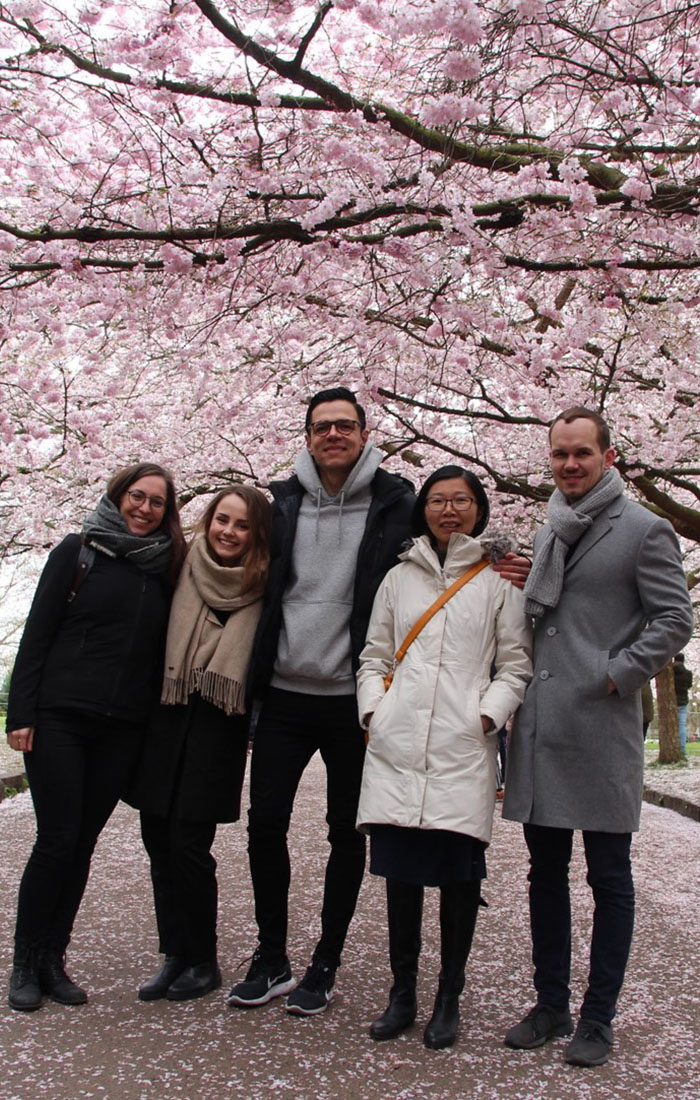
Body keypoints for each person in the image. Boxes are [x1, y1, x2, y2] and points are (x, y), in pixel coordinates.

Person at [503, 407, 693, 1068]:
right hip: (540, 726)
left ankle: (598, 1017)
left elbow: (674, 618)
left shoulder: (645, 528)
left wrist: (615, 674)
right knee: (544, 873)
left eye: (583, 453)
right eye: (560, 455)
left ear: (608, 457)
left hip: (601, 725)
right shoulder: (551, 524)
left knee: (609, 877)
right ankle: (550, 1003)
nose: (571, 465)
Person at [226, 387, 416, 1016]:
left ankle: (325, 960)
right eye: (321, 427)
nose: (333, 435)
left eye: (345, 425)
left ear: (365, 434)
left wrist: (502, 562)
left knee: (345, 833)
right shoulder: (279, 503)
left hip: (351, 700)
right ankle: (271, 953)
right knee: (264, 827)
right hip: (282, 694)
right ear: (306, 437)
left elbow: (446, 547)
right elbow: (230, 558)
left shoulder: (396, 503)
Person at [355, 466, 532, 1049]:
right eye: (437, 500)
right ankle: (402, 993)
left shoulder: (498, 579)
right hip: (398, 743)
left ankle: (447, 995)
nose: (448, 510)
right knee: (400, 877)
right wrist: (374, 712)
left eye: (460, 500)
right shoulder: (397, 578)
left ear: (478, 509)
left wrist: (485, 716)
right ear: (423, 508)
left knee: (458, 878)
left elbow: (514, 664)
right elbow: (374, 655)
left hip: (461, 746)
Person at [6, 463, 186, 1012]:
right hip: (61, 718)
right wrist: (21, 713)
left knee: (81, 845)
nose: (145, 509)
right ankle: (24, 962)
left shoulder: (165, 569)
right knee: (57, 838)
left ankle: (54, 962)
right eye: (138, 496)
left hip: (122, 729)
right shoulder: (77, 551)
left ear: (166, 513)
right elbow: (37, 632)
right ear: (118, 496)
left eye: (157, 503)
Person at [130, 486, 272, 1002]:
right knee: (157, 841)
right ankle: (174, 954)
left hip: (218, 723)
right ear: (208, 521)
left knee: (190, 845)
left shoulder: (266, 583)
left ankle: (202, 959)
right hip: (166, 716)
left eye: (242, 526)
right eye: (222, 520)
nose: (228, 532)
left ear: (256, 536)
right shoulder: (178, 568)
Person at [672, 653, 693, 757]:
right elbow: (689, 685)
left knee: (671, 724)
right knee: (681, 724)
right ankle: (682, 748)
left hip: (671, 702)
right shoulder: (688, 673)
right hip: (682, 701)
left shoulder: (669, 672)